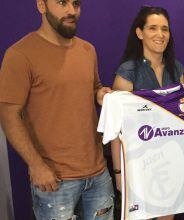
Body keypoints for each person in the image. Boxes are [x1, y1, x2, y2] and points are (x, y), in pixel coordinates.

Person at [0, 0, 114, 219]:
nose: (71, 10)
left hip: (98, 174)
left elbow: (93, 89)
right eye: (62, 2)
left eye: (76, 3)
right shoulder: (20, 55)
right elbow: (8, 114)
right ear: (41, 5)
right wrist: (36, 166)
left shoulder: (87, 50)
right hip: (55, 181)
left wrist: (99, 95)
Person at [110, 6, 184, 220]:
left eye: (165, 29)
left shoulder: (177, 70)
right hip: (136, 165)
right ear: (139, 33)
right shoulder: (127, 72)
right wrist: (118, 173)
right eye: (153, 28)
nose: (160, 35)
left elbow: (182, 121)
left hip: (170, 162)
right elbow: (116, 129)